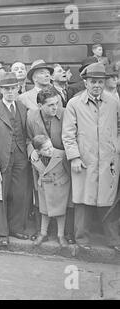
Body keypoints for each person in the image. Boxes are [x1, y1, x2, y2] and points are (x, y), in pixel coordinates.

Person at [62, 62, 120, 253]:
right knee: (82, 201)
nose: (97, 85)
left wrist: (116, 148)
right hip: (84, 161)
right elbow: (68, 134)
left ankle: (113, 239)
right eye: (93, 82)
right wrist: (75, 157)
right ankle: (82, 239)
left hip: (108, 161)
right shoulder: (74, 104)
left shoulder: (113, 101)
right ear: (85, 83)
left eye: (100, 82)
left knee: (108, 201)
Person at [0, 72, 30, 246]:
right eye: (6, 89)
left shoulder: (22, 108)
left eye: (13, 88)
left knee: (19, 194)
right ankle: (3, 233)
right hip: (2, 159)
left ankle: (16, 228)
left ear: (18, 88)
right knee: (0, 195)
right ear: (0, 90)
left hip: (20, 157)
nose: (10, 92)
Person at [31, 135, 70, 247]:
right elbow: (35, 173)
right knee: (44, 211)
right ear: (38, 151)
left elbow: (68, 171)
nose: (50, 150)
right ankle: (43, 233)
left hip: (60, 187)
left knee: (60, 212)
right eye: (46, 149)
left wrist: (64, 182)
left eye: (51, 147)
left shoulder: (61, 154)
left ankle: (61, 235)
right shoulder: (35, 159)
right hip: (44, 187)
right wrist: (37, 186)